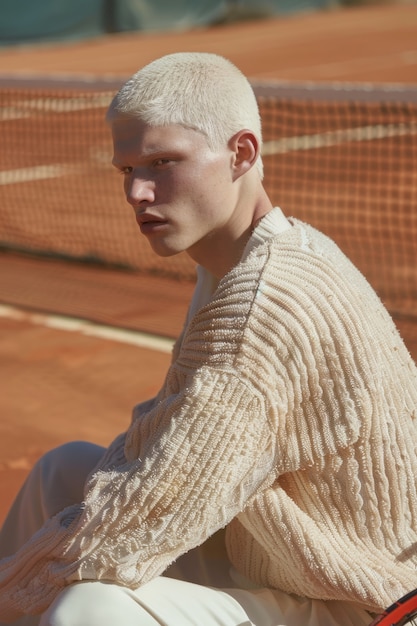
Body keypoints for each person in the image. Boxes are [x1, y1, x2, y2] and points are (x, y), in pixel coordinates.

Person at [1, 52, 417, 626]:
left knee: (92, 607)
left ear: (241, 153)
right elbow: (162, 443)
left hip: (357, 602)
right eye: (127, 170)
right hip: (278, 552)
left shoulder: (262, 308)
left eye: (162, 161)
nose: (137, 192)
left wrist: (14, 588)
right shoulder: (238, 260)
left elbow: (149, 511)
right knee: (63, 471)